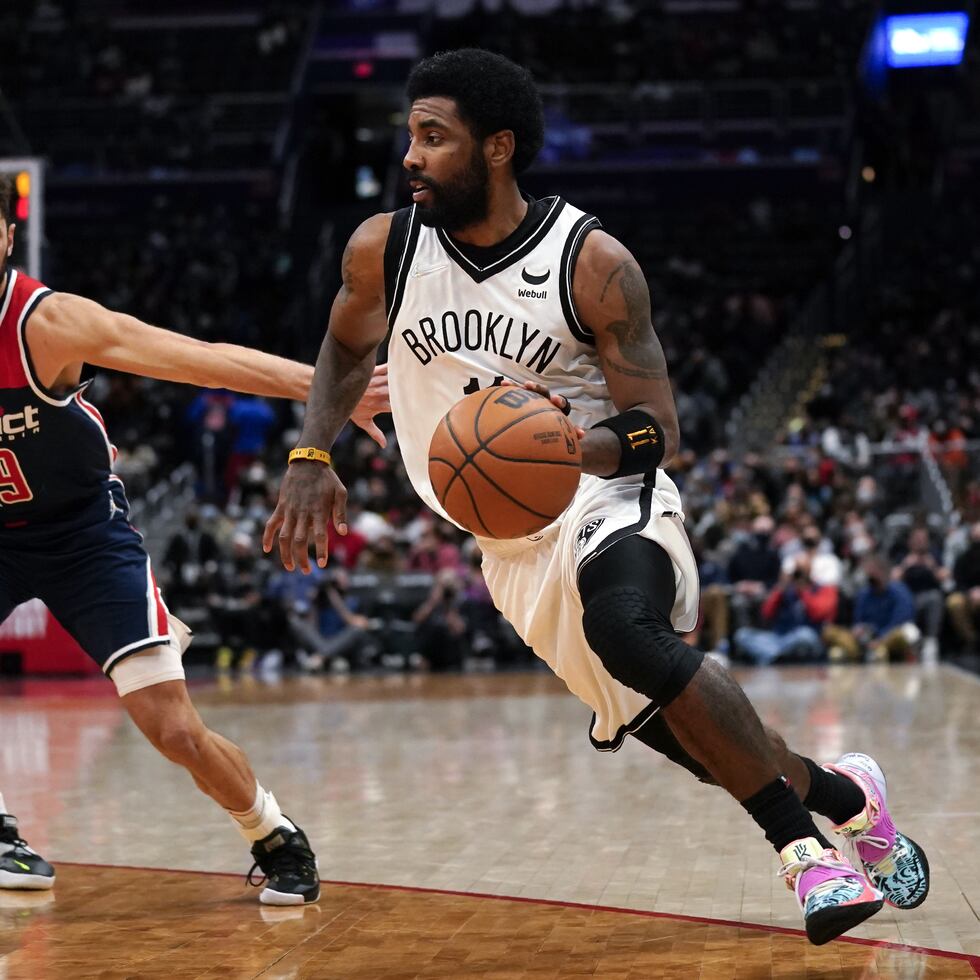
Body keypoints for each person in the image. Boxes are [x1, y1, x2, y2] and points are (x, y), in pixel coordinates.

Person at [264, 50, 929, 943]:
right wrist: (313, 449)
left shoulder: (592, 263)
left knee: (629, 631)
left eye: (434, 137)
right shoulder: (383, 249)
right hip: (504, 544)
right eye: (408, 136)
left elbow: (659, 426)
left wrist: (582, 446)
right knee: (703, 749)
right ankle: (851, 799)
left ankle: (802, 856)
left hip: (604, 495)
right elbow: (345, 351)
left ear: (497, 148)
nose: (410, 156)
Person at [0, 175, 388, 902]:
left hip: (82, 534)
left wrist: (327, 388)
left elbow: (198, 357)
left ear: (8, 235)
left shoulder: (45, 325)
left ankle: (271, 830)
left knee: (171, 728)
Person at [825, 555, 919, 663]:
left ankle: (879, 652)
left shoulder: (900, 591)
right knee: (831, 636)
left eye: (874, 571)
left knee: (908, 632)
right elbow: (858, 620)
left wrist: (880, 639)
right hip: (866, 640)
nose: (870, 574)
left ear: (884, 572)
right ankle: (857, 653)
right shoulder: (863, 594)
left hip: (889, 637)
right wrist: (859, 631)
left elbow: (899, 621)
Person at [947, 522, 980, 652]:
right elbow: (958, 583)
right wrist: (969, 593)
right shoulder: (963, 559)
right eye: (976, 540)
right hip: (968, 595)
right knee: (954, 602)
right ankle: (972, 641)